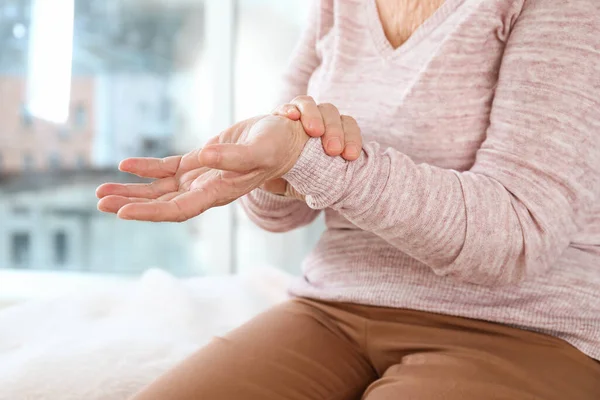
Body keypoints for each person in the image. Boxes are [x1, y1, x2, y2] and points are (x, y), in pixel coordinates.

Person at [96, 0, 600, 398]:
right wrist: (265, 167)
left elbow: (518, 236)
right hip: (332, 307)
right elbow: (285, 203)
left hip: (524, 327)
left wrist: (311, 161)